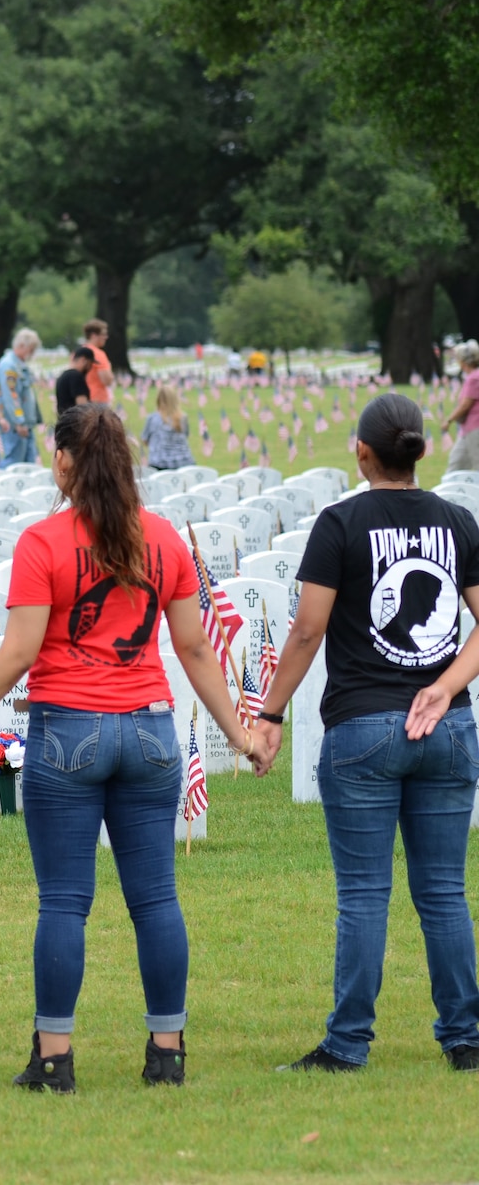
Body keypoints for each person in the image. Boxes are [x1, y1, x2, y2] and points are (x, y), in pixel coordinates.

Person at [0, 403, 270, 1094]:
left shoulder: (44, 542)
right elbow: (192, 648)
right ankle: (167, 1052)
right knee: (156, 898)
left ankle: (56, 1058)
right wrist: (240, 732)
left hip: (69, 729)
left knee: (64, 901)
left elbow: (18, 655)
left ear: (64, 461)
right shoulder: (162, 539)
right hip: (153, 729)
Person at [252, 393, 479, 1073]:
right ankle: (466, 1036)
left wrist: (268, 715)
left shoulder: (340, 522)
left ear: (361, 451)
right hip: (449, 723)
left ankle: (348, 1043)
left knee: (363, 893)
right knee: (443, 889)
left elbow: (307, 628)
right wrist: (444, 683)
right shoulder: (457, 520)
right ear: (419, 451)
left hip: (362, 728)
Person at [0, 328, 44, 466]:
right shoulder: (9, 366)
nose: (32, 354)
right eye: (31, 350)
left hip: (25, 422)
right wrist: (19, 421)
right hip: (14, 423)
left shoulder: (19, 365)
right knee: (14, 461)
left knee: (28, 462)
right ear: (21, 346)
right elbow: (11, 396)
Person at [442, 342, 479, 472]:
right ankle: (450, 489)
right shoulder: (473, 376)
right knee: (456, 461)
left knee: (475, 462)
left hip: (475, 428)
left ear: (463, 361)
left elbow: (465, 405)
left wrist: (448, 420)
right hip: (468, 429)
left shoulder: (474, 378)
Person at [138, 387, 195, 471]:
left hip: (159, 465)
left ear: (158, 400)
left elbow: (145, 439)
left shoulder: (152, 418)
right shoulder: (183, 417)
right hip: (185, 463)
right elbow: (185, 436)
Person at [55, 348, 94, 418]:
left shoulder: (63, 375)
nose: (91, 367)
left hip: (64, 421)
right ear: (83, 360)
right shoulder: (76, 376)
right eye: (90, 363)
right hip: (75, 423)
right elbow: (83, 406)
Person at [82, 320, 113, 403]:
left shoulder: (77, 353)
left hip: (82, 399)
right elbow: (107, 380)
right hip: (98, 400)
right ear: (93, 335)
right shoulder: (98, 354)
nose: (106, 337)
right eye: (103, 334)